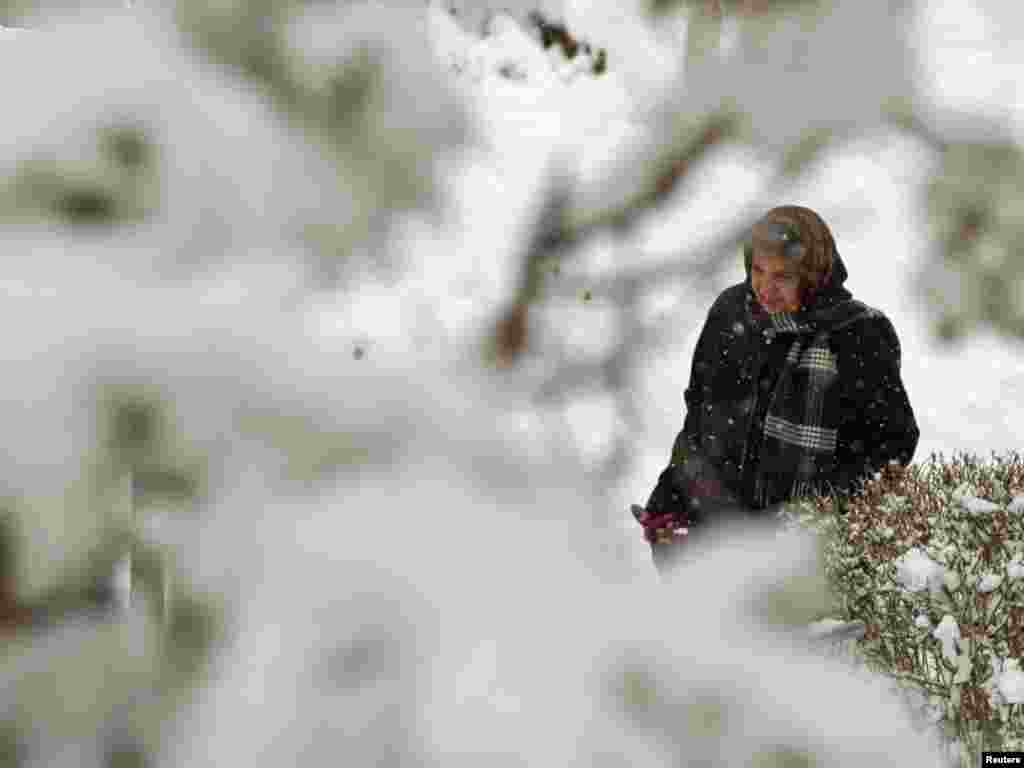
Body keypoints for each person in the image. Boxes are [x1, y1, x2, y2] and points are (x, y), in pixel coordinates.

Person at [634, 205, 920, 572]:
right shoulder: (731, 313)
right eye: (757, 271)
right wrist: (669, 500)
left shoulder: (858, 333)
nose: (765, 289)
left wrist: (806, 517)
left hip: (805, 558)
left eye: (783, 276)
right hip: (713, 542)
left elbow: (891, 444)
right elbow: (701, 418)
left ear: (814, 274)